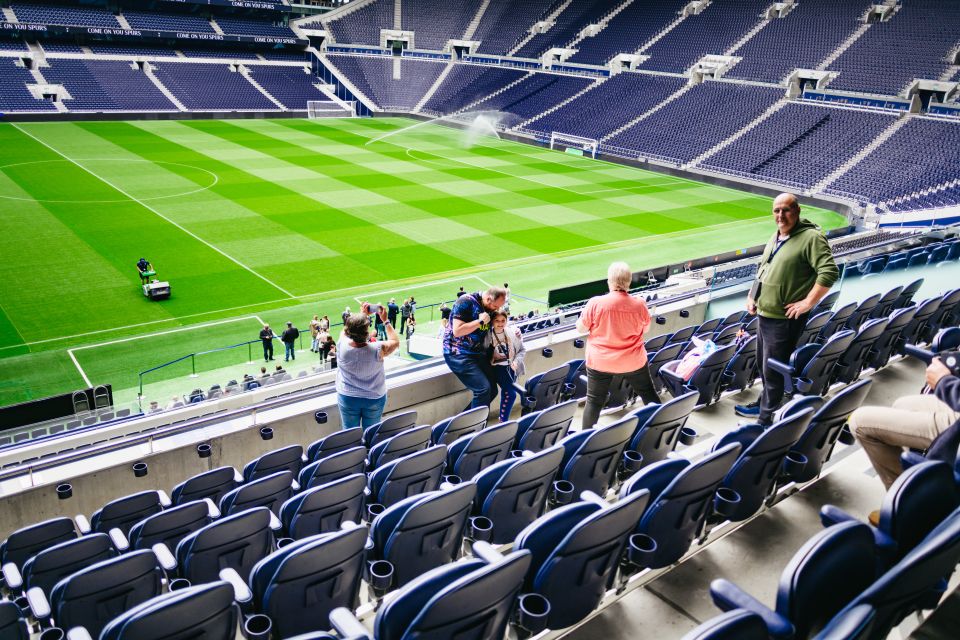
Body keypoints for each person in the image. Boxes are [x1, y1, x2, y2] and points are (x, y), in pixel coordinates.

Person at [735, 193, 839, 426]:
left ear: (798, 211)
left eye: (786, 210)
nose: (780, 215)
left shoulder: (811, 238)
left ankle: (765, 420)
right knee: (764, 364)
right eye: (776, 211)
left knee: (773, 369)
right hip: (765, 313)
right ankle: (764, 404)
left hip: (783, 319)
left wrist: (807, 303)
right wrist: (753, 295)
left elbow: (829, 272)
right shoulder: (777, 235)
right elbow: (764, 268)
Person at [577, 262, 660, 430]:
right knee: (648, 394)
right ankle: (661, 427)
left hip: (600, 362)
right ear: (628, 282)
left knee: (594, 401)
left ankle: (584, 440)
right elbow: (646, 329)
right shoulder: (639, 304)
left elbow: (581, 328)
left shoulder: (595, 303)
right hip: (633, 361)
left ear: (610, 281)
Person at [336, 303, 400, 428]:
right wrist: (385, 320)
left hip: (348, 396)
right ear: (367, 332)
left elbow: (346, 330)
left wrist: (362, 316)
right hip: (374, 397)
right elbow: (395, 342)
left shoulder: (342, 344)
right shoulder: (378, 348)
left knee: (349, 435)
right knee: (371, 433)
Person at [443, 286, 507, 410]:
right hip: (458, 353)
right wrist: (480, 322)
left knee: (492, 390)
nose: (497, 309)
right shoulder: (465, 301)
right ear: (488, 299)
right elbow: (457, 331)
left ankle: (464, 424)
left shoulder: (490, 307)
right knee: (483, 389)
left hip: (478, 353)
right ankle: (473, 427)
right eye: (495, 306)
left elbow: (492, 329)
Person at [485, 311, 526, 423]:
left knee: (507, 393)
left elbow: (522, 350)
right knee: (511, 394)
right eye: (497, 320)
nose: (500, 323)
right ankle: (503, 421)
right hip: (497, 369)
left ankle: (502, 420)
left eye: (503, 320)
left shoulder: (512, 332)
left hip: (511, 368)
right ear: (492, 321)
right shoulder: (487, 335)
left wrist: (516, 362)